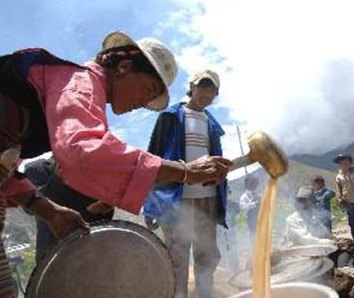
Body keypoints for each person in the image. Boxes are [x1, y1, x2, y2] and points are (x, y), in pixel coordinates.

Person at [1, 32, 230, 297]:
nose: (144, 103)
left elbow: (6, 174)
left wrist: (48, 210)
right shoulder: (79, 82)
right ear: (124, 67)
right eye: (148, 90)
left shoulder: (76, 97)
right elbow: (82, 152)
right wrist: (185, 171)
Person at [143, 69, 227, 298]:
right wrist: (151, 203)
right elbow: (153, 159)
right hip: (176, 201)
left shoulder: (213, 126)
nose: (207, 93)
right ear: (192, 87)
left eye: (212, 90)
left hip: (207, 200)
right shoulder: (170, 117)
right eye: (203, 86)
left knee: (207, 256)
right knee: (177, 258)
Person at [24, 157, 114, 264]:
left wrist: (104, 208)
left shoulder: (95, 174)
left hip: (90, 257)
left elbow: (97, 219)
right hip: (53, 257)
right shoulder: (37, 168)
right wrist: (58, 177)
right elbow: (29, 206)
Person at [239, 174, 260, 245]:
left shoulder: (258, 195)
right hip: (251, 219)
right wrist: (254, 204)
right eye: (254, 184)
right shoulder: (244, 197)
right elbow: (243, 207)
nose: (256, 186)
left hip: (260, 217)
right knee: (253, 236)